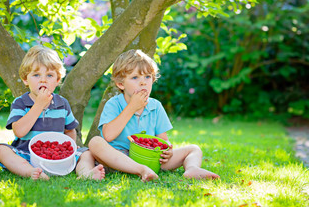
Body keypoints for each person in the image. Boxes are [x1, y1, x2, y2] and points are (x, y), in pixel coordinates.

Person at [88, 49, 220, 182]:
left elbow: (162, 139)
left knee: (193, 149)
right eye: (135, 77)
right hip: (120, 158)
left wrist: (167, 149)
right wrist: (132, 107)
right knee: (95, 143)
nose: (143, 82)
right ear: (120, 84)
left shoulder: (155, 106)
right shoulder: (114, 104)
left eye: (147, 77)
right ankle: (141, 170)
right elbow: (108, 135)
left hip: (150, 158)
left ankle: (191, 169)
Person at [0, 46, 105, 181]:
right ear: (25, 79)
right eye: (36, 75)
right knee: (0, 150)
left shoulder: (62, 103)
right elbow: (19, 131)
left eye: (49, 75)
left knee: (87, 153)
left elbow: (70, 130)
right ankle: (30, 171)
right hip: (26, 154)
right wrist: (38, 105)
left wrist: (70, 148)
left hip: (56, 156)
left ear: (57, 81)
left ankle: (86, 173)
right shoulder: (20, 103)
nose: (43, 80)